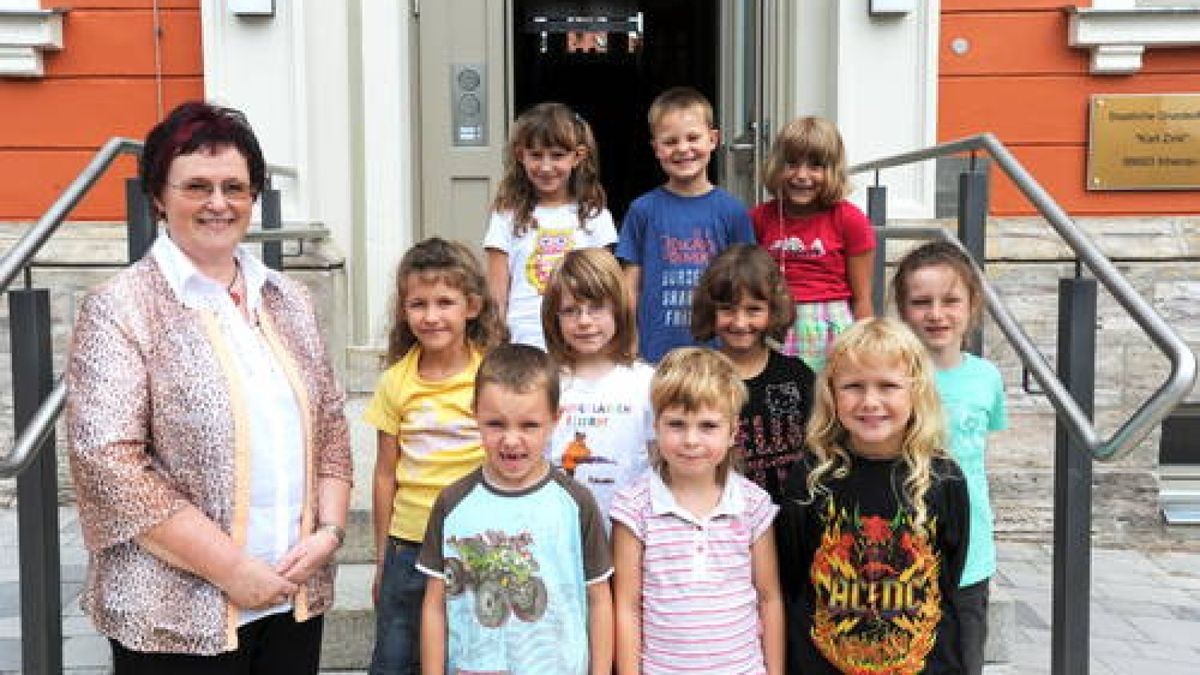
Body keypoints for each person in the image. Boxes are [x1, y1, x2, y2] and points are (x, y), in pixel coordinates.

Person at [66, 101, 352, 673]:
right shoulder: (121, 308)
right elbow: (110, 466)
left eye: (235, 187)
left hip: (292, 597)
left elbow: (330, 424)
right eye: (197, 186)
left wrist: (329, 532)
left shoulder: (289, 299)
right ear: (157, 196)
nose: (219, 204)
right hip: (175, 617)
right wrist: (233, 571)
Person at [776, 318, 970, 674]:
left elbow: (948, 575)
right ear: (831, 393)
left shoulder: (943, 479)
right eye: (853, 386)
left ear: (916, 391)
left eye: (888, 386)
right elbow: (793, 573)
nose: (870, 401)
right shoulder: (811, 478)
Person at [417, 344, 614, 674]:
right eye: (496, 424)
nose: (511, 440)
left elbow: (598, 599)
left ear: (554, 420)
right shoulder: (452, 504)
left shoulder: (576, 503)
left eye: (528, 425)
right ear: (474, 414)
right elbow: (435, 606)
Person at [364, 237, 506, 674]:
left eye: (445, 302)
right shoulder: (395, 382)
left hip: (477, 542)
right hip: (409, 542)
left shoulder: (493, 376)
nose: (431, 316)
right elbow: (386, 473)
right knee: (396, 656)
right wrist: (382, 555)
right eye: (418, 304)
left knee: (472, 653)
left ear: (472, 306)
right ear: (404, 311)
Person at [611, 347, 784, 674]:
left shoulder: (753, 505)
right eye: (676, 424)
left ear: (733, 431)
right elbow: (628, 607)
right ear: (656, 426)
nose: (691, 440)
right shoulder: (634, 508)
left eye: (708, 426)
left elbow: (769, 598)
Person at [893, 241, 1008, 675]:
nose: (936, 314)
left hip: (970, 550)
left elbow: (980, 460)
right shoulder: (890, 376)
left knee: (962, 658)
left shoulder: (986, 378)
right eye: (921, 302)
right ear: (903, 311)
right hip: (904, 544)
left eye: (950, 301)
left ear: (972, 305)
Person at [616, 86, 756, 362]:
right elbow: (629, 286)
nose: (683, 149)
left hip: (717, 352)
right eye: (670, 142)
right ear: (656, 148)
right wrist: (628, 338)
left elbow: (746, 283)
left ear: (713, 139)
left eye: (693, 138)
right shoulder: (642, 210)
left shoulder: (733, 211)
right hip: (655, 352)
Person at [484, 101, 618, 349]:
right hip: (523, 342)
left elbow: (605, 289)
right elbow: (496, 295)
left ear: (577, 156)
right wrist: (495, 344)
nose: (546, 167)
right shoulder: (506, 216)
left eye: (557, 155)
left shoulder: (595, 216)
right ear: (520, 155)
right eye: (536, 155)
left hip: (579, 342)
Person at [750, 116, 876, 372]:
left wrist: (867, 350)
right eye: (792, 164)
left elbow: (862, 298)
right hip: (776, 326)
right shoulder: (760, 218)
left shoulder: (850, 219)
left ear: (833, 171)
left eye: (816, 166)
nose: (802, 176)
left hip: (832, 328)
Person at [692, 244, 815, 502]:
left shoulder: (797, 377)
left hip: (788, 521)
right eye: (727, 309)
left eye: (753, 310)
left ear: (774, 310)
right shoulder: (696, 379)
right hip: (721, 524)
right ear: (710, 311)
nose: (739, 323)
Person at [542, 248, 655, 520]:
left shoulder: (646, 383)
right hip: (560, 529)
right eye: (570, 311)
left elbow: (661, 463)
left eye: (596, 308)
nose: (584, 321)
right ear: (554, 318)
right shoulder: (544, 382)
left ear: (618, 308)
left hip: (628, 533)